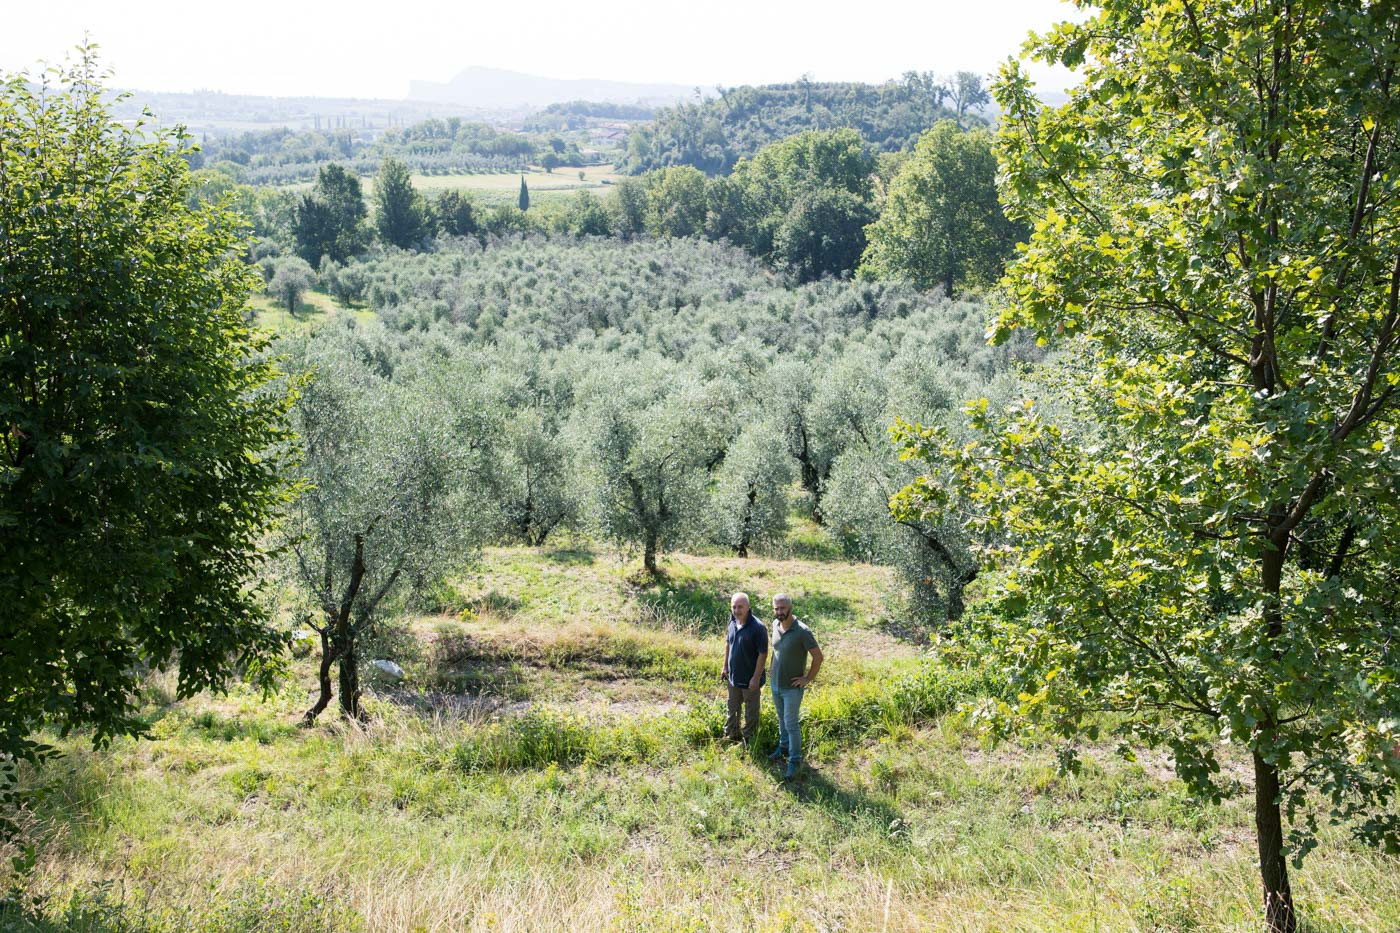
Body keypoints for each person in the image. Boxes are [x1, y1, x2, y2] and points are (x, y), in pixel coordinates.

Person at [768, 593, 822, 780]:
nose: (779, 612)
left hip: (792, 688)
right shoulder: (775, 625)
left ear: (791, 608)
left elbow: (818, 657)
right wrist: (770, 671)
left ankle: (795, 760)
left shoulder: (802, 631)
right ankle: (783, 748)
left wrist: (807, 679)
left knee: (791, 723)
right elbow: (775, 651)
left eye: (782, 608)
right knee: (781, 720)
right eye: (776, 608)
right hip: (775, 684)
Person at [721, 592, 767, 744]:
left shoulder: (758, 627)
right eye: (734, 607)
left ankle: (749, 741)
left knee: (751, 712)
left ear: (748, 607)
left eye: (740, 607)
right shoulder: (732, 621)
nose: (737, 610)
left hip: (750, 681)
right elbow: (729, 643)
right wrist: (725, 666)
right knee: (732, 708)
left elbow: (763, 653)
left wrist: (755, 678)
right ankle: (731, 736)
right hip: (733, 677)